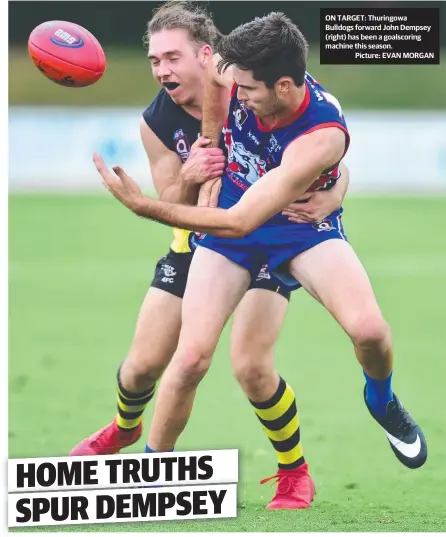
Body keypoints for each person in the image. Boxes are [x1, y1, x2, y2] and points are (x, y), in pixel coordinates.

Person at [95, 10, 428, 483]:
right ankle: (152, 474)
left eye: (248, 91)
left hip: (295, 225)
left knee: (371, 332)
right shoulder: (233, 76)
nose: (240, 97)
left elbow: (241, 220)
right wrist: (212, 141)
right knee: (189, 358)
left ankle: (381, 400)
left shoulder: (322, 134)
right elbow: (217, 81)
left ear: (286, 87)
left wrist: (142, 206)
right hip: (232, 226)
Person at [73, 3, 351, 509]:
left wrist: (334, 197)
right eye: (155, 59)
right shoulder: (156, 120)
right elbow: (169, 204)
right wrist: (190, 175)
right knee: (141, 369)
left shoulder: (254, 86)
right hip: (198, 241)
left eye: (172, 57)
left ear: (208, 55)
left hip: (266, 240)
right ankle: (124, 428)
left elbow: (320, 149)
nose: (162, 70)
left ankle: (294, 472)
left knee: (251, 366)